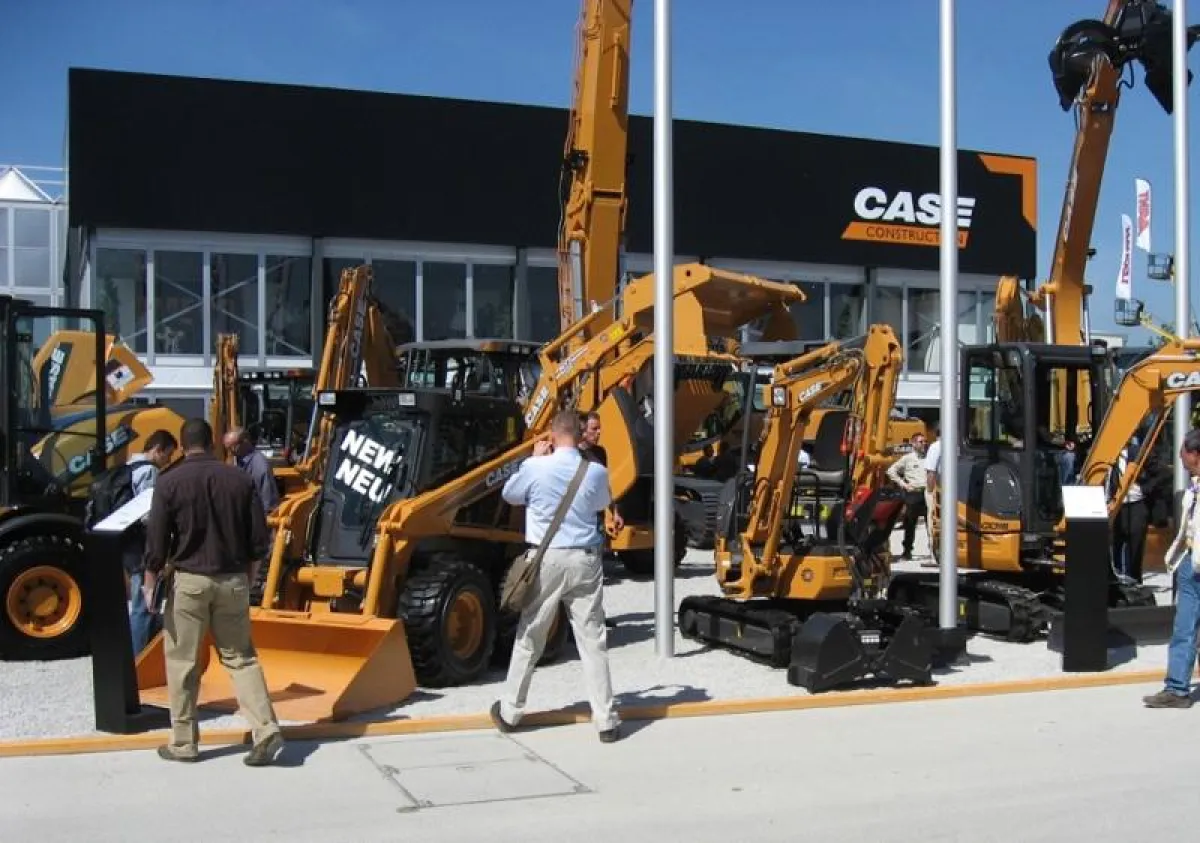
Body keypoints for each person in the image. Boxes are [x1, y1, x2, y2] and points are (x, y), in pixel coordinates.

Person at [142, 418, 284, 764]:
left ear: (181, 443)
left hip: (189, 582)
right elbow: (258, 541)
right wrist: (249, 578)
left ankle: (184, 742)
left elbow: (157, 542)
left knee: (183, 663)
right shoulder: (240, 479)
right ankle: (265, 728)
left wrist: (149, 585)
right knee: (241, 658)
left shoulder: (169, 481)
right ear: (214, 444)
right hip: (232, 578)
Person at [490, 409, 621, 742]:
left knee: (530, 634)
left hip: (546, 558)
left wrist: (532, 459)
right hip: (585, 558)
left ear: (552, 434)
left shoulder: (535, 467)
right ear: (578, 435)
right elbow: (600, 503)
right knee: (592, 640)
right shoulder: (594, 471)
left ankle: (510, 711)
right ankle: (605, 720)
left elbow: (509, 495)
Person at [1143, 428, 1200, 709]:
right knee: (1184, 627)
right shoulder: (1194, 486)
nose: (1179, 456)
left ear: (1195, 455)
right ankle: (1176, 689)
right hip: (1191, 563)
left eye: (1183, 451)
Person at [124, 430, 179, 655]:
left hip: (127, 543)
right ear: (157, 449)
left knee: (143, 601)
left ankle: (143, 650)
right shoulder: (148, 472)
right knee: (144, 603)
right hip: (141, 545)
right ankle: (139, 658)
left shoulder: (128, 467)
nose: (168, 460)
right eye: (167, 454)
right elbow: (151, 514)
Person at [886, 433, 928, 561]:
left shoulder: (929, 458)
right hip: (913, 493)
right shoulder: (907, 458)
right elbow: (891, 471)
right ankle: (907, 551)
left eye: (925, 442)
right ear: (914, 444)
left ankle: (934, 552)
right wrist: (903, 484)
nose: (924, 444)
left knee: (931, 525)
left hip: (927, 493)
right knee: (910, 524)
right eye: (921, 442)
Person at [222, 427, 280, 514]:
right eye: (228, 449)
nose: (231, 452)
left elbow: (268, 502)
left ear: (245, 442)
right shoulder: (235, 460)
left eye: (233, 447)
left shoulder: (260, 466)